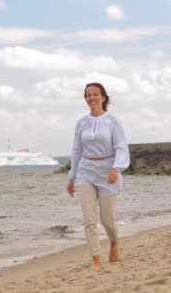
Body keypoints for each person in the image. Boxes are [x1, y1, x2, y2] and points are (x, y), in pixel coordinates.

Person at [67, 82, 130, 269]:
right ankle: (96, 259)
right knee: (89, 220)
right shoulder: (81, 123)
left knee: (107, 220)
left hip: (108, 173)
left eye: (95, 94)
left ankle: (114, 242)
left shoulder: (113, 121)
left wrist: (116, 168)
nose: (92, 98)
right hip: (85, 173)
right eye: (88, 95)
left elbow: (121, 147)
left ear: (103, 97)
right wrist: (72, 177)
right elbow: (77, 150)